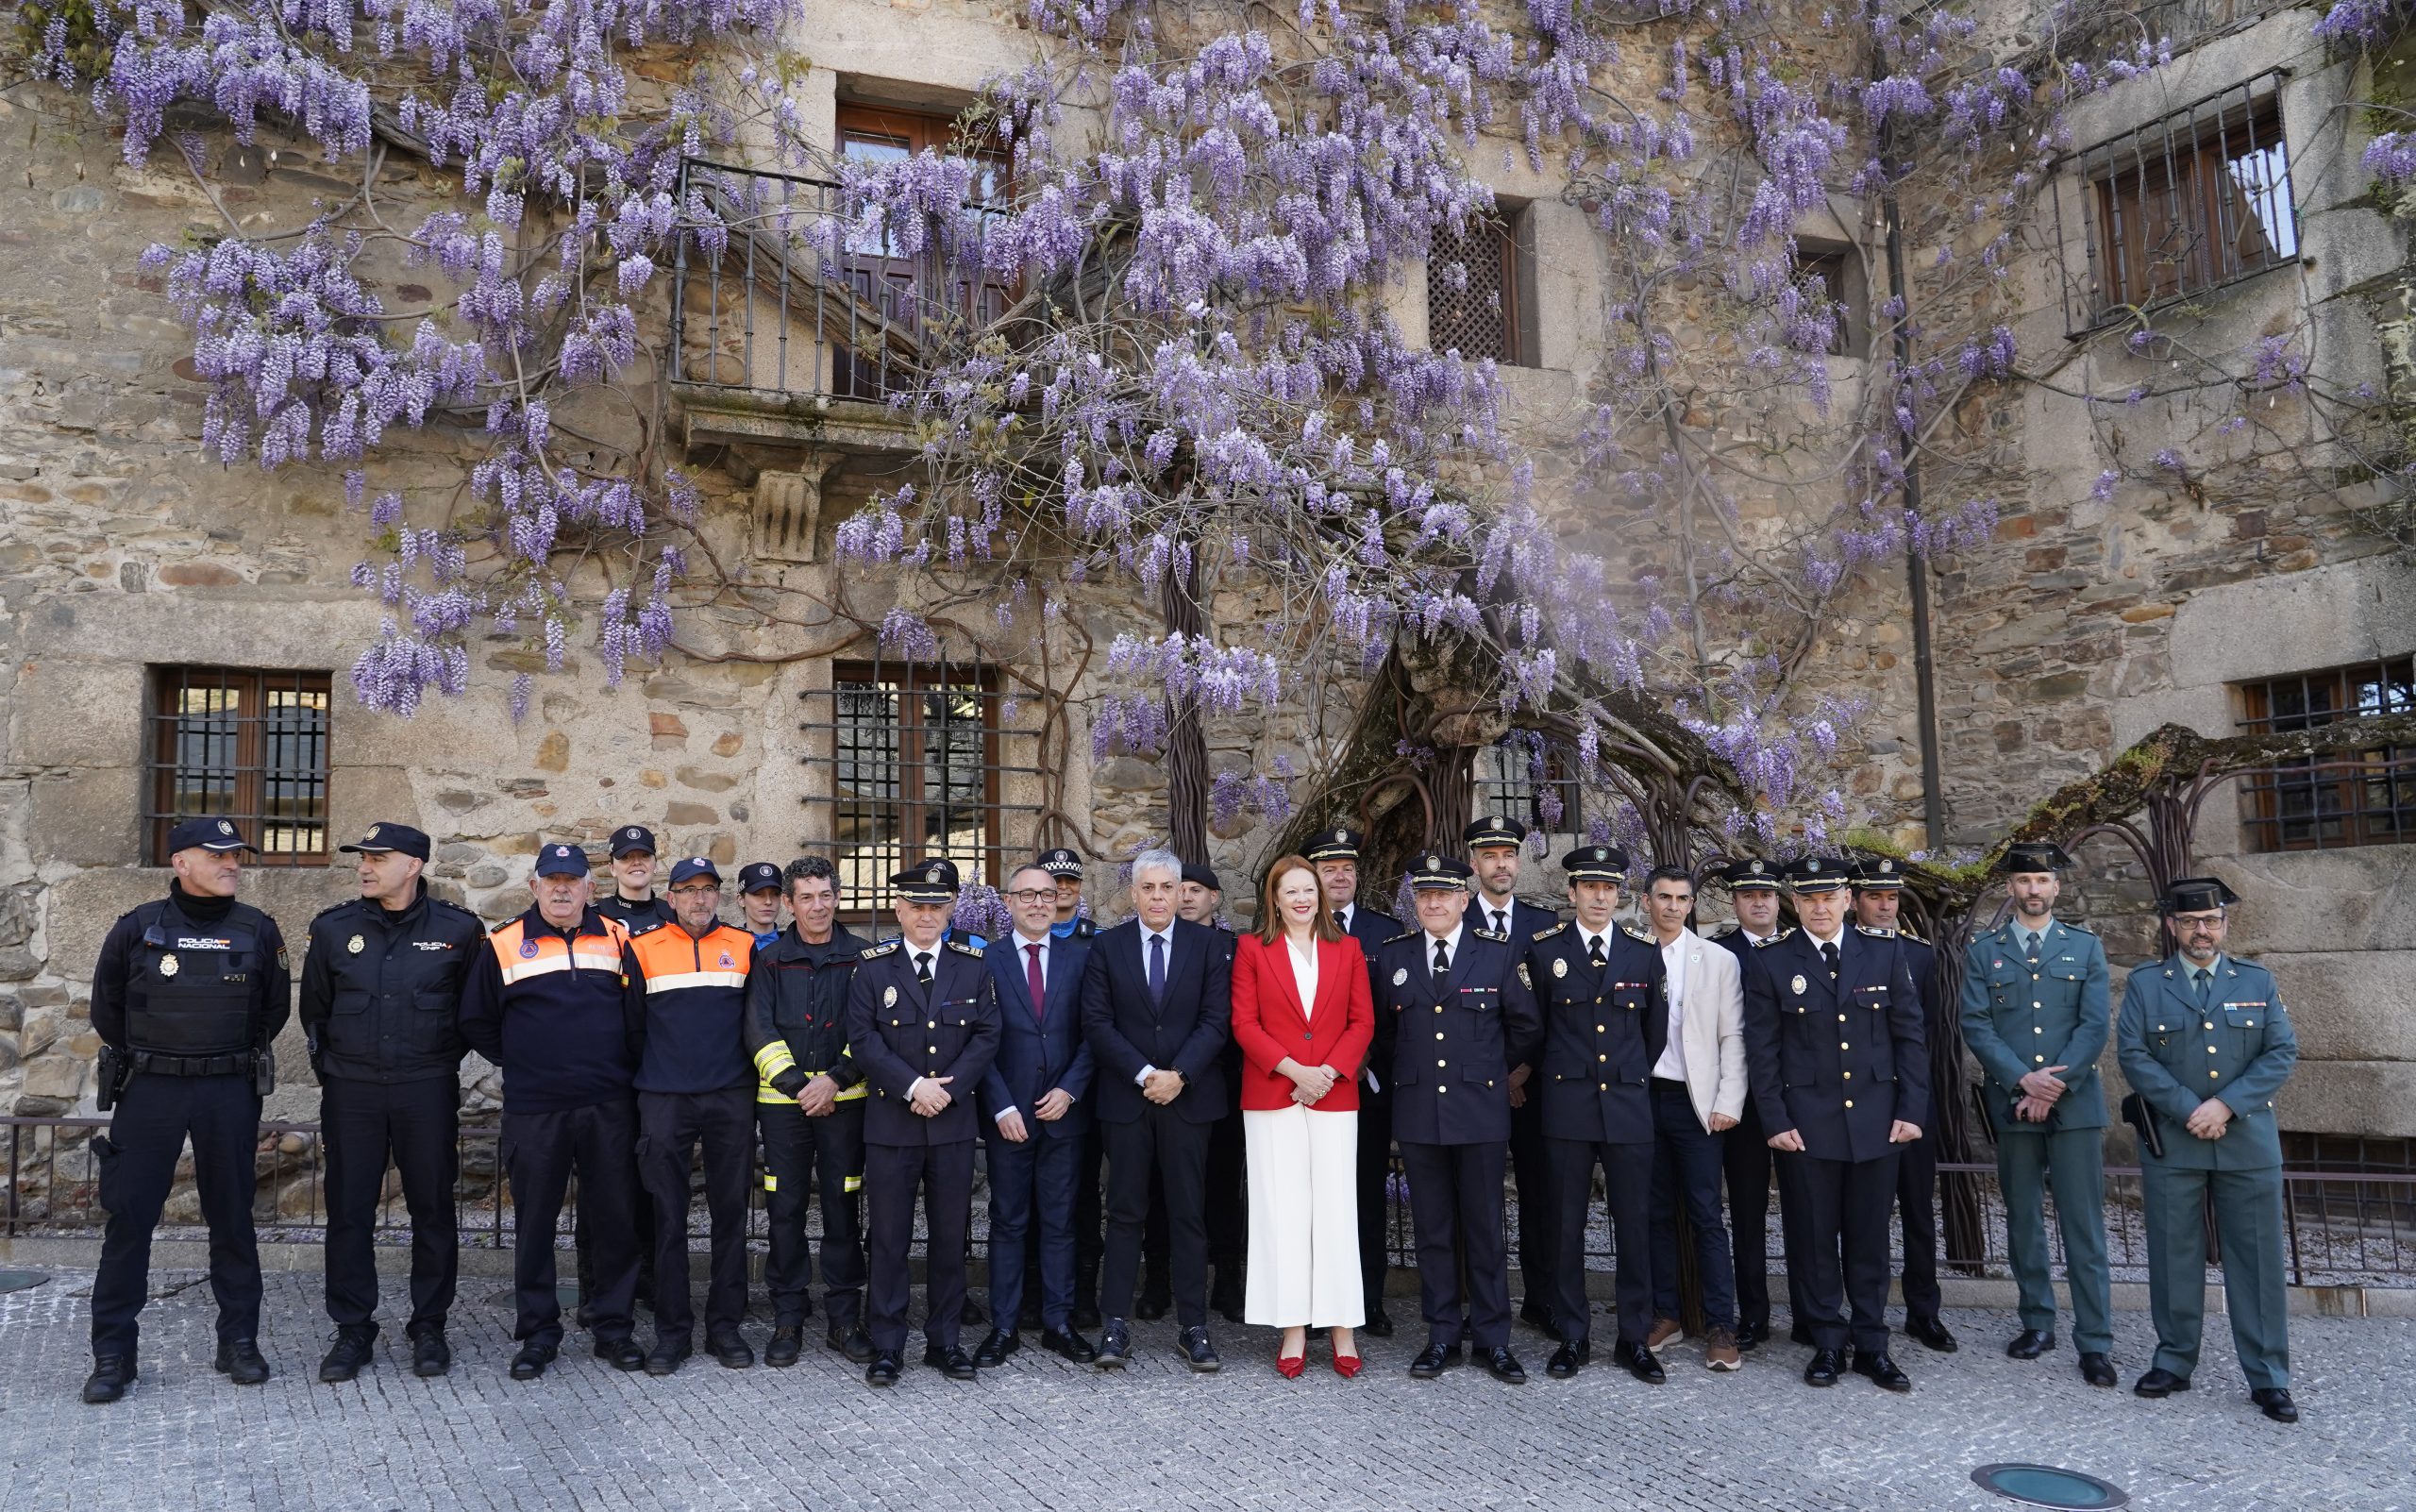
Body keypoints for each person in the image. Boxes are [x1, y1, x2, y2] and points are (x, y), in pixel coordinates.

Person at [82, 816, 292, 1404]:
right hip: (152, 1089)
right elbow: (109, 1008)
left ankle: (240, 1341)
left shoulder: (258, 928)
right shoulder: (137, 928)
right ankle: (113, 1354)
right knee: (130, 1221)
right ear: (180, 863)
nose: (233, 863)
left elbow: (273, 1010)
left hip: (227, 1088)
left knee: (233, 1218)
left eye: (237, 855)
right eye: (218, 854)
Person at [458, 843, 649, 1381]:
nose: (562, 889)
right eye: (552, 880)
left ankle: (613, 1327)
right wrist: (525, 1059)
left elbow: (636, 1017)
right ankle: (538, 1333)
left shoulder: (618, 936)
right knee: (535, 1224)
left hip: (608, 1103)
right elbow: (475, 1020)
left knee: (614, 1219)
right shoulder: (502, 943)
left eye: (572, 880)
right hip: (536, 1108)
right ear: (533, 887)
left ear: (590, 887)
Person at [299, 822, 481, 1384]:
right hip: (351, 1091)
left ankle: (429, 1324)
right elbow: (315, 1013)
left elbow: (470, 1015)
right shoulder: (333, 930)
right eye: (363, 858)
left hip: (424, 1087)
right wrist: (341, 1069)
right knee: (349, 1211)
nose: (365, 867)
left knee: (432, 1207)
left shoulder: (459, 931)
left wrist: (432, 1062)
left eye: (380, 857)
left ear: (414, 865)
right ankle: (353, 1327)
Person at [2116, 876, 2300, 1423]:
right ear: (2173, 925)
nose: (2203, 931)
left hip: (2246, 1141)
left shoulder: (2257, 981)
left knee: (2259, 1261)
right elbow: (2133, 1053)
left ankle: (2268, 1376)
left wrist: (2225, 1106)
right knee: (2174, 1256)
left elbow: (2280, 1052)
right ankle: (2173, 1361)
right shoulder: (2148, 984)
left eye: (2212, 921)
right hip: (2175, 1140)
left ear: (2224, 924)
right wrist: (2188, 1108)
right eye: (2192, 921)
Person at [1741, 855, 1927, 1392]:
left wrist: (1911, 1112)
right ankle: (1827, 1342)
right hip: (1807, 1125)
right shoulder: (1772, 961)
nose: (1819, 908)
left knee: (1869, 1240)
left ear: (1847, 900)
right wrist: (1774, 1119)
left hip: (1877, 1122)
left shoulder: (1886, 953)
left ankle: (1871, 1344)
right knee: (1815, 1239)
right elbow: (1763, 1049)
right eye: (1808, 899)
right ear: (1794, 904)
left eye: (1829, 898)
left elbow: (1910, 1039)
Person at [1372, 852, 1542, 1385]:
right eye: (1425, 896)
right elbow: (1382, 1035)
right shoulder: (1394, 956)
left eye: (1444, 895)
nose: (1434, 903)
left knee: (1486, 1229)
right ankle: (1442, 1333)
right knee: (1433, 1230)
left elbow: (1526, 1027)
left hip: (1480, 1113)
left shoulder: (1497, 954)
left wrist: (1490, 1074)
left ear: (1463, 901)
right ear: (1416, 903)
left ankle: (1493, 1338)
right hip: (1421, 1112)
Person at [1958, 841, 2115, 1387]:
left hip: (2073, 1106)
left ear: (2056, 888)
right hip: (2013, 1101)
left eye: (2043, 881)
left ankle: (2095, 1339)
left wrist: (2051, 1086)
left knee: (2084, 1225)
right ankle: (2037, 1321)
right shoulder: (1985, 951)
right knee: (2023, 1218)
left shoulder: (2085, 947)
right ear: (2010, 889)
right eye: (2024, 882)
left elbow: (2094, 1026)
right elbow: (1976, 1024)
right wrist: (2022, 1080)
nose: (2033, 890)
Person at [844, 859, 1002, 1386]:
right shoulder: (872, 967)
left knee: (949, 1237)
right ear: (898, 908)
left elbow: (986, 1035)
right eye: (917, 906)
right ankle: (887, 1345)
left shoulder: (973, 965)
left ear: (953, 907)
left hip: (952, 1123)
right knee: (888, 1238)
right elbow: (863, 1039)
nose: (927, 915)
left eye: (937, 905)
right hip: (893, 1123)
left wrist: (944, 1089)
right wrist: (915, 1087)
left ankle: (945, 1341)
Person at [1079, 848, 1233, 1372]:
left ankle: (1194, 1325)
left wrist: (1180, 1076)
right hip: (1127, 1099)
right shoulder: (1108, 947)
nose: (1160, 897)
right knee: (1124, 1212)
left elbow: (1217, 1019)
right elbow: (1097, 1023)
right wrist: (1147, 1076)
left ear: (1181, 892)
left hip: (1189, 1100)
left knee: (1189, 1214)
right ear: (1133, 893)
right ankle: (1115, 1325)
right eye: (1149, 888)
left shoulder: (1210, 945)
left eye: (1169, 888)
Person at [1229, 855, 1373, 1378]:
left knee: (1335, 1210)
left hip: (1334, 1096)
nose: (1302, 899)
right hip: (1273, 1095)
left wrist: (1327, 1073)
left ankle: (1341, 1328)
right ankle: (1291, 1327)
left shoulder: (1348, 948)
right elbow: (1243, 1023)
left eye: (1308, 889)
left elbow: (1362, 1022)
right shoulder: (1251, 950)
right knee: (1282, 1210)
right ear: (1275, 898)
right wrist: (1295, 1072)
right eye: (1290, 891)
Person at [1524, 846, 1665, 1383]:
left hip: (1627, 1105)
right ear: (1572, 893)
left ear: (1619, 894)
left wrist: (1626, 1077)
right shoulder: (1544, 952)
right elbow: (1533, 1030)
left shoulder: (1642, 952)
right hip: (1567, 1104)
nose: (1599, 897)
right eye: (1590, 887)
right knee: (1566, 1224)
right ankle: (1573, 1334)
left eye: (1608, 888)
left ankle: (1634, 1337)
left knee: (1634, 1225)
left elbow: (1654, 1032)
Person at [628, 856, 759, 1374]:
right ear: (672, 896)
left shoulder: (745, 947)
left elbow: (755, 1022)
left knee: (731, 1216)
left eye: (708, 890)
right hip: (664, 1098)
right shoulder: (642, 949)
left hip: (730, 1095)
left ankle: (724, 1327)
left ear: (719, 896)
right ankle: (672, 1331)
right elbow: (632, 1027)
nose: (699, 899)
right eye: (688, 890)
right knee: (667, 1218)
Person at [744, 856, 873, 1367]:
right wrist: (801, 1086)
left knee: (843, 1212)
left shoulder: (865, 958)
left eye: (825, 896)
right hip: (784, 1109)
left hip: (846, 1106)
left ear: (838, 898)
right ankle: (788, 1318)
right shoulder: (770, 959)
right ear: (790, 903)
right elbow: (758, 1030)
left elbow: (869, 1031)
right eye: (806, 897)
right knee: (784, 1212)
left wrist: (834, 1081)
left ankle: (845, 1319)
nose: (817, 906)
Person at [976, 864, 1099, 1366]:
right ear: (1008, 902)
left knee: (1060, 1221)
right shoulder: (986, 960)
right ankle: (1003, 1326)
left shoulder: (1082, 958)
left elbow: (1097, 1032)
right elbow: (978, 1041)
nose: (1038, 903)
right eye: (1027, 895)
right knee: (1007, 1221)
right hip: (1008, 1113)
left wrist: (1070, 1091)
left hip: (1064, 1113)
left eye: (1047, 895)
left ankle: (1059, 1322)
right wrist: (1002, 1104)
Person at [1847, 856, 1959, 1356]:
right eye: (1875, 897)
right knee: (1856, 1214)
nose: (1885, 906)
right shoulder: (1844, 952)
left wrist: (1915, 1101)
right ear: (1856, 900)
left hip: (1910, 1100)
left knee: (1917, 1210)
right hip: (1862, 1102)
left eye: (1892, 897)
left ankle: (1923, 1310)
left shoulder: (1919, 955)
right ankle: (1857, 1311)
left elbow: (1927, 1032)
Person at [1637, 864, 1747, 1372]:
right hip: (1643, 1098)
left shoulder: (1718, 960)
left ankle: (1721, 1322)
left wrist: (1729, 1099)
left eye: (1682, 899)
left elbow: (1732, 1036)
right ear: (1646, 901)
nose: (1672, 907)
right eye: (1664, 897)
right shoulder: (1631, 954)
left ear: (1691, 905)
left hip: (1696, 1100)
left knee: (1705, 1214)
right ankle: (1666, 1313)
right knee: (1655, 1211)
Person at [1462, 814, 1561, 1334]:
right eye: (1490, 856)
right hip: (1471, 1085)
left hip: (1533, 1083)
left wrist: (1522, 1071)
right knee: (1469, 1196)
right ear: (1474, 864)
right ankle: (1468, 1301)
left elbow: (1551, 1009)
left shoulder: (1543, 925)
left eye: (1508, 856)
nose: (1501, 865)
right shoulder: (1453, 920)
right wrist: (1496, 1074)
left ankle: (1540, 1297)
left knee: (1538, 1191)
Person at [1308, 825, 1402, 1336]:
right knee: (1318, 1197)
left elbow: (1393, 1010)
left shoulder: (1383, 931)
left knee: (1367, 1195)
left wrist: (1363, 1060)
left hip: (1368, 1084)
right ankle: (1322, 1304)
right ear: (1313, 878)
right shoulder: (1298, 929)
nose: (1339, 876)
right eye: (1329, 869)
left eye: (1346, 868)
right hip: (1312, 1085)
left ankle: (1370, 1300)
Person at [1703, 856, 1787, 1350]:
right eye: (1748, 895)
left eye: (1767, 894)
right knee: (1748, 1212)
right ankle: (1752, 1313)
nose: (1759, 902)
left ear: (1779, 900)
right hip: (1740, 1103)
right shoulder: (1719, 954)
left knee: (1806, 1211)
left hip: (1793, 1102)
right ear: (1734, 902)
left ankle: (1811, 1309)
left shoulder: (1796, 949)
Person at [586, 823, 667, 1310]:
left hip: (658, 1068)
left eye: (644, 856)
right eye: (625, 857)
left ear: (655, 862)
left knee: (653, 1183)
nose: (635, 864)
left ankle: (653, 1284)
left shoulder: (671, 914)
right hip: (608, 1071)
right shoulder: (595, 920)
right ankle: (597, 1288)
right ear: (612, 865)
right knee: (604, 1184)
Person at [1036, 845, 1106, 1329]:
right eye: (1053, 883)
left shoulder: (1096, 941)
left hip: (1084, 1089)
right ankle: (1030, 1293)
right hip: (1034, 1088)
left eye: (1071, 883)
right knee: (1026, 1200)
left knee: (1082, 1199)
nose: (1063, 891)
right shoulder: (1018, 937)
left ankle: (1081, 1294)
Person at [1183, 860, 1248, 1321]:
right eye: (1178, 888)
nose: (1186, 897)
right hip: (1170, 1080)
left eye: (1196, 889)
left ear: (1215, 899)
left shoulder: (1237, 947)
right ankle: (1163, 1279)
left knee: (1225, 1184)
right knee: (1163, 1185)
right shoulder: (1156, 943)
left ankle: (1227, 1279)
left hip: (1224, 1080)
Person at [737, 862, 786, 949]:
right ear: (741, 900)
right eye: (758, 894)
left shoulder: (795, 945)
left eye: (775, 894)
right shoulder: (727, 947)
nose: (768, 901)